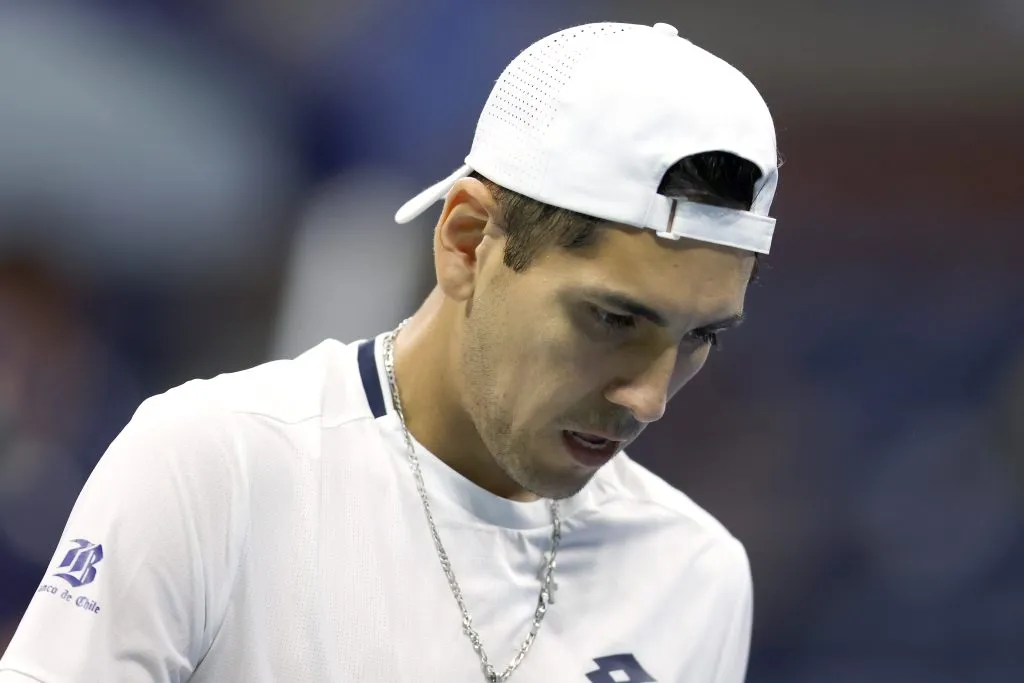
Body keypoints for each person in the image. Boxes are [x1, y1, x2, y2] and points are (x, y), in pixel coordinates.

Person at [0, 20, 780, 683]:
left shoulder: (698, 575)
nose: (648, 397)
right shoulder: (212, 465)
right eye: (613, 319)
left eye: (699, 337)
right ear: (467, 240)